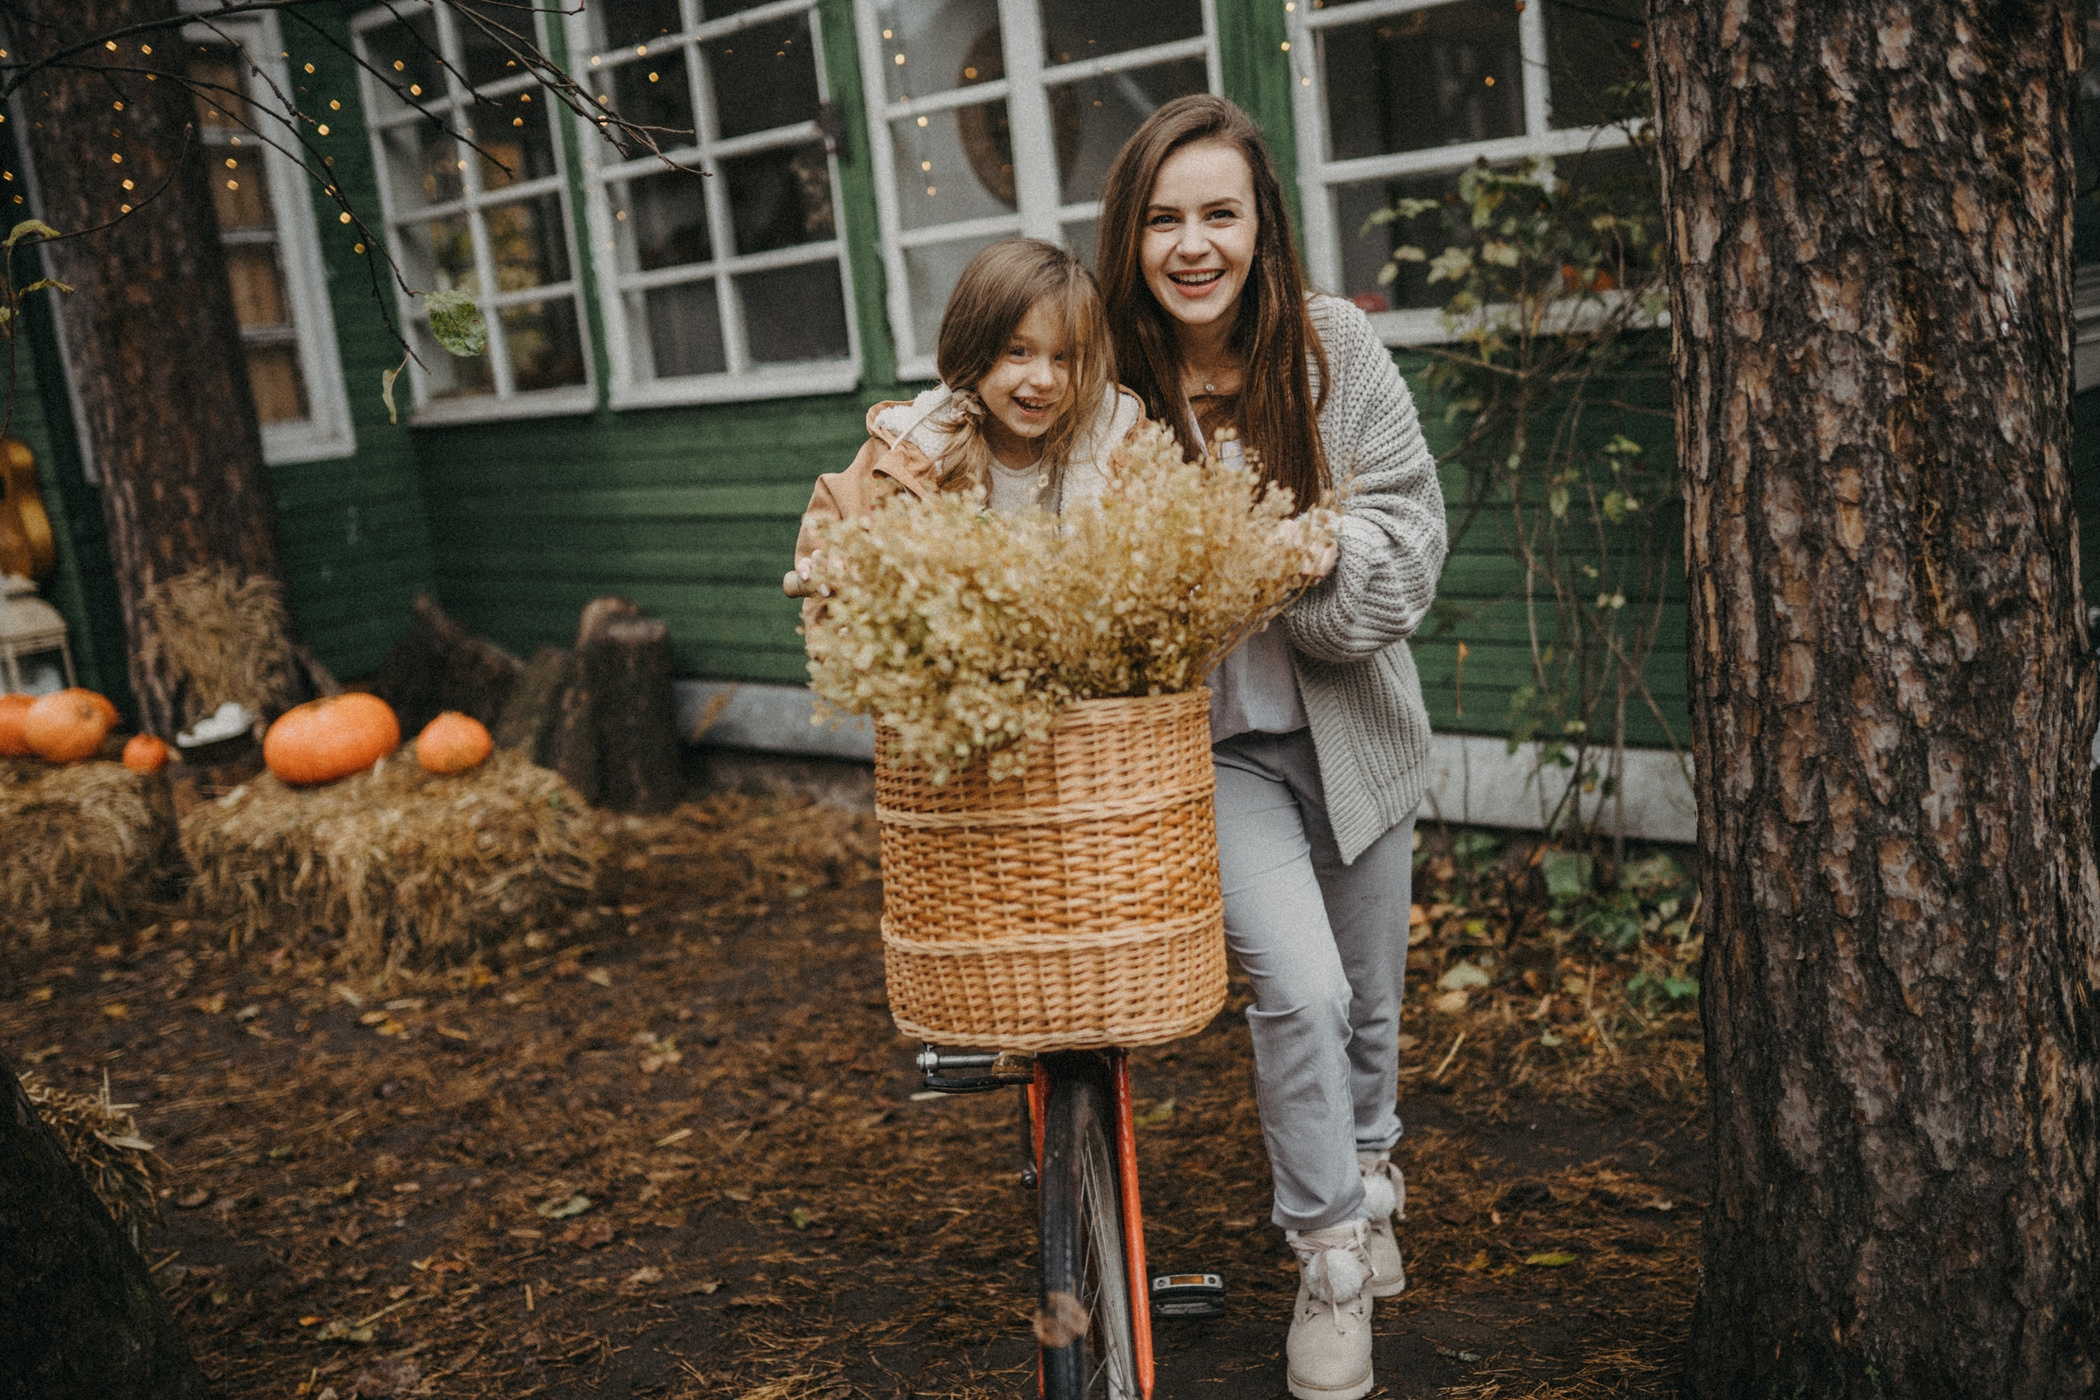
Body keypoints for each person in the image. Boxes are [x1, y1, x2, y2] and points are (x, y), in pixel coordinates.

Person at [1096, 94, 1447, 1400]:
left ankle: (1371, 1172)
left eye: (1219, 215)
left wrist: (1317, 551)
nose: (1193, 243)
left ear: (1261, 228)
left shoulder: (1331, 350)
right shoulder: (1114, 387)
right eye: (1165, 218)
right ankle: (1330, 1259)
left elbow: (1412, 534)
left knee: (1368, 1003)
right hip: (1218, 754)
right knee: (1297, 991)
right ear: (1131, 236)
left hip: (1354, 730)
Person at [790, 238, 1143, 603]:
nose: (1044, 379)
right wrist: (833, 567)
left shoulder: (1120, 446)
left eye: (1064, 356)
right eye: (1018, 352)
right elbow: (835, 550)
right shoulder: (908, 453)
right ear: (973, 349)